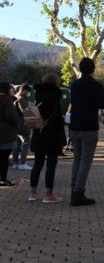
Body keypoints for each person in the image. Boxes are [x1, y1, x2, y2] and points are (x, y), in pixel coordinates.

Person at [70, 58, 104, 206]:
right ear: (93, 69)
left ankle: (73, 189)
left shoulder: (74, 85)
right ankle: (78, 193)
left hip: (74, 126)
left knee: (77, 159)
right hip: (89, 127)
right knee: (85, 161)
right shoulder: (96, 85)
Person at [28, 73, 67, 203]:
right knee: (51, 164)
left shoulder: (37, 93)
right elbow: (55, 116)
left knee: (37, 164)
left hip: (38, 132)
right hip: (51, 134)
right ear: (55, 82)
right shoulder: (55, 95)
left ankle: (32, 193)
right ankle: (48, 194)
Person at [0, 83, 21, 187]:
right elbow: (10, 116)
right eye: (11, 89)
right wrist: (17, 123)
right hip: (5, 132)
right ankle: (2, 179)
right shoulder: (6, 100)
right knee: (4, 157)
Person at [12, 84, 32, 170]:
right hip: (23, 125)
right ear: (24, 90)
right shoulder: (21, 99)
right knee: (26, 144)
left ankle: (15, 163)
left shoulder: (15, 97)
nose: (28, 93)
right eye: (27, 92)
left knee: (16, 145)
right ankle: (23, 163)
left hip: (15, 125)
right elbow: (25, 111)